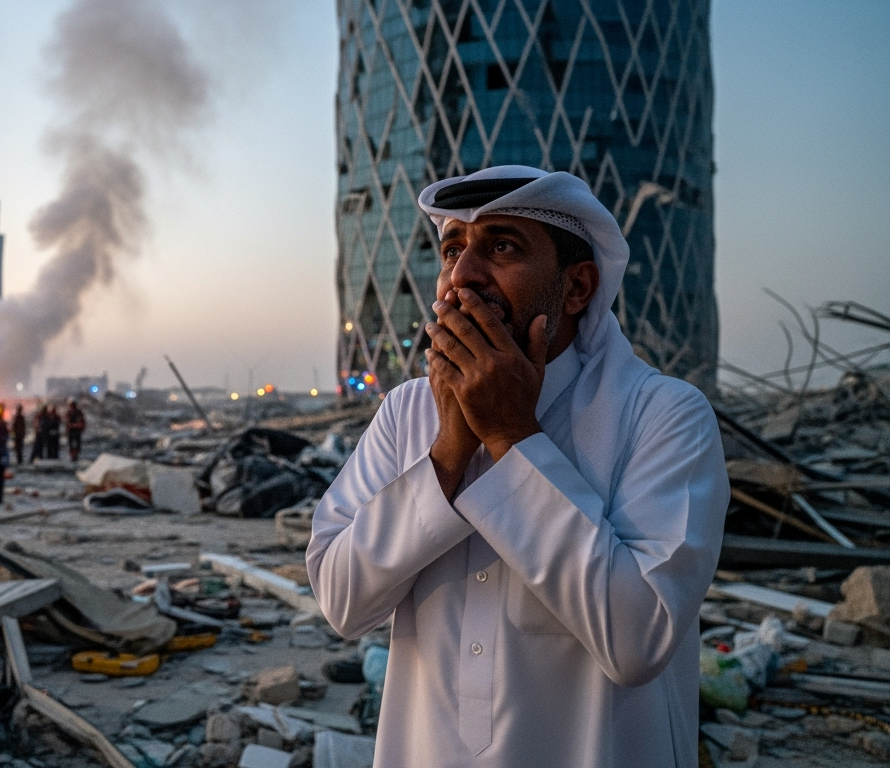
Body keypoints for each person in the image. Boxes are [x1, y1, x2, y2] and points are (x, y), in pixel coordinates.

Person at [306, 166, 729, 768]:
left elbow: (639, 642)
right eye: (453, 249)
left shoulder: (661, 415)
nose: (464, 276)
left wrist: (510, 435)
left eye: (501, 246)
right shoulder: (406, 412)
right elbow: (341, 602)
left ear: (577, 287)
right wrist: (447, 456)